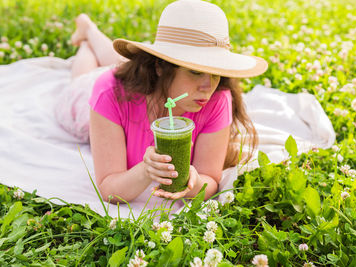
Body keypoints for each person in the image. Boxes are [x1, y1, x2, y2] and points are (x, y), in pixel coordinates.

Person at [57, 0, 268, 204]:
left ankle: (90, 31)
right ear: (160, 65)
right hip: (97, 104)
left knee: (121, 65)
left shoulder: (216, 98)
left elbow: (209, 180)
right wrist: (145, 170)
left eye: (216, 73)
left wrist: (192, 183)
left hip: (150, 80)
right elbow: (109, 189)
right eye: (195, 71)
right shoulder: (109, 93)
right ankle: (87, 39)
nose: (208, 86)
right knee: (83, 79)